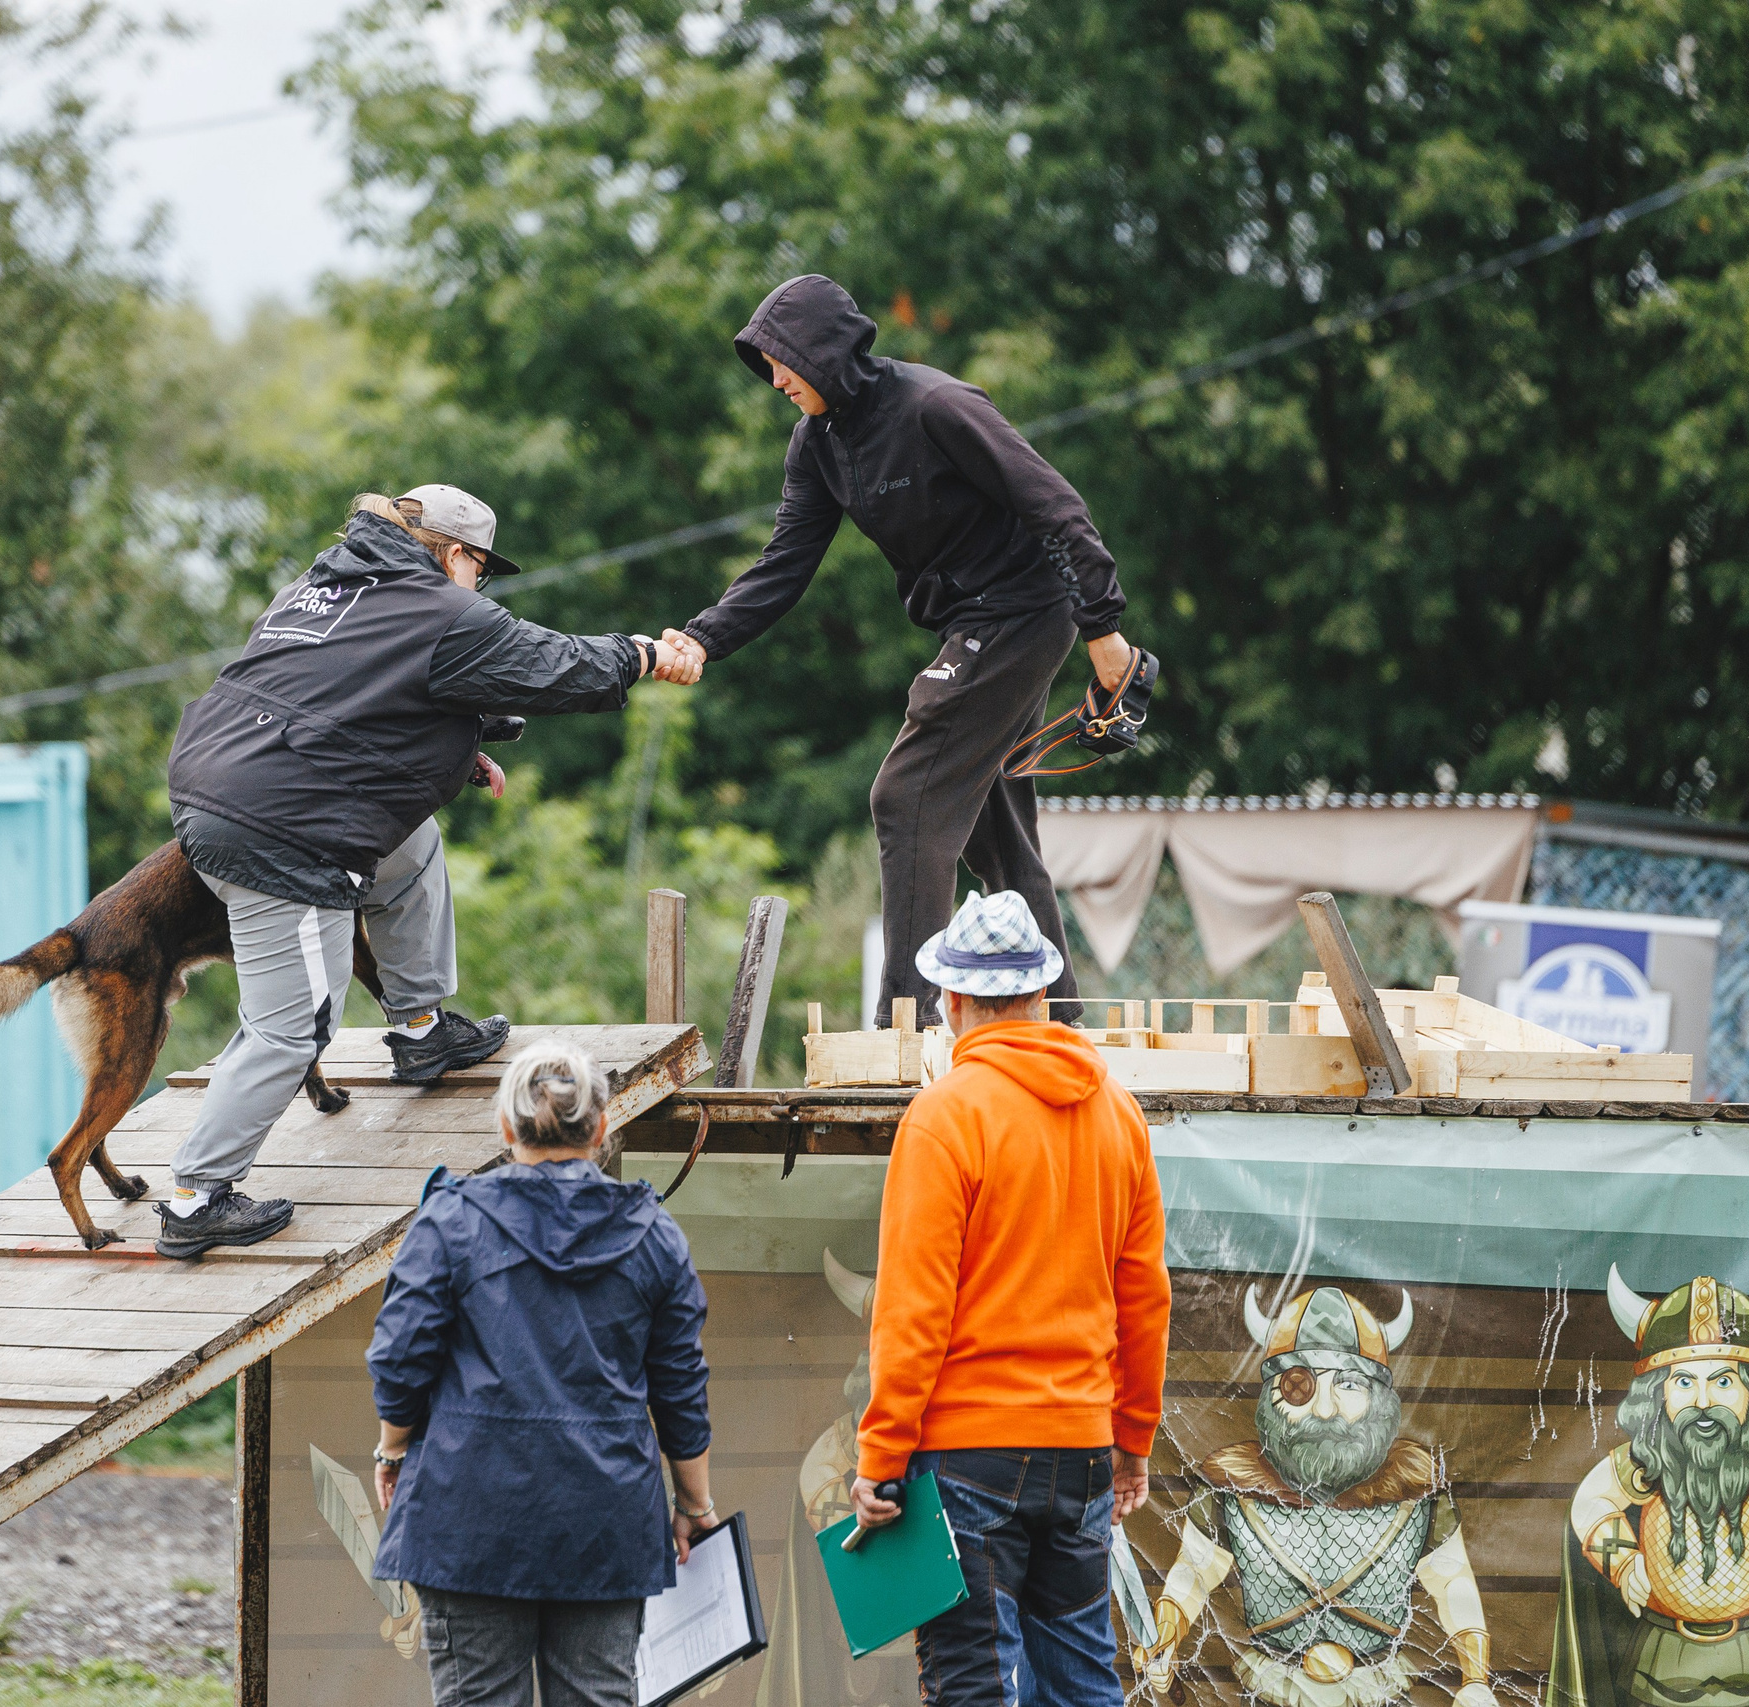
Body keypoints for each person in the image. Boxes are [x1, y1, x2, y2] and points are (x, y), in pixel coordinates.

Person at [160, 486, 680, 1259]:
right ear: (454, 554)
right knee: (295, 1023)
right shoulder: (438, 608)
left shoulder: (323, 587)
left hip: (227, 780)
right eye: (481, 569)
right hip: (280, 825)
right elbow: (552, 664)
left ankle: (421, 1028)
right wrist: (640, 653)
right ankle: (196, 1197)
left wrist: (455, 753)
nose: (481, 586)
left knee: (412, 845)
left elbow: (342, 695)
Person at [651, 275, 1137, 1024]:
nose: (775, 379)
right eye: (765, 366)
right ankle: (1060, 1023)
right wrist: (704, 637)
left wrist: (1105, 634)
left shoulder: (936, 407)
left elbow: (1055, 505)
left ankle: (903, 1025)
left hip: (1025, 608)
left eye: (782, 361)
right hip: (969, 621)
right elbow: (785, 562)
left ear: (825, 351)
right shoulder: (818, 443)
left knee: (905, 797)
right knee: (992, 828)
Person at [847, 889, 1170, 1707]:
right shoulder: (1118, 1115)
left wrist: (881, 1462)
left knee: (976, 1684)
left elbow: (912, 1316)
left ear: (953, 1001)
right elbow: (1145, 1296)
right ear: (1041, 995)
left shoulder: (943, 1118)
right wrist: (1131, 1434)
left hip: (968, 1455)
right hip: (1084, 1452)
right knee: (1083, 1679)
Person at [366, 1041, 715, 1707]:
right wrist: (693, 1503)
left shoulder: (451, 1219)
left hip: (470, 1516)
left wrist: (394, 1445)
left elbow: (400, 1354)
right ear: (603, 1128)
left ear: (505, 1128)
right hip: (605, 1524)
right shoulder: (653, 1233)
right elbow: (680, 1386)